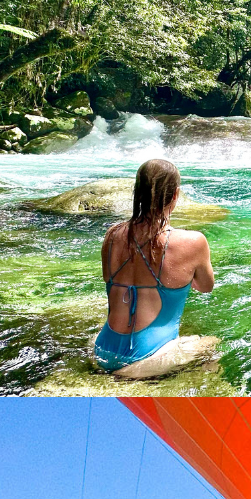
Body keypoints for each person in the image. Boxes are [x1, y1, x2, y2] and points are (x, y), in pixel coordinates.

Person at [94, 159, 215, 379]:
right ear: (175, 195)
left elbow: (107, 279)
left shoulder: (112, 235)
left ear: (137, 192)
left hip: (103, 350)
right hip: (148, 356)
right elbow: (205, 287)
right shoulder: (194, 242)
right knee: (212, 345)